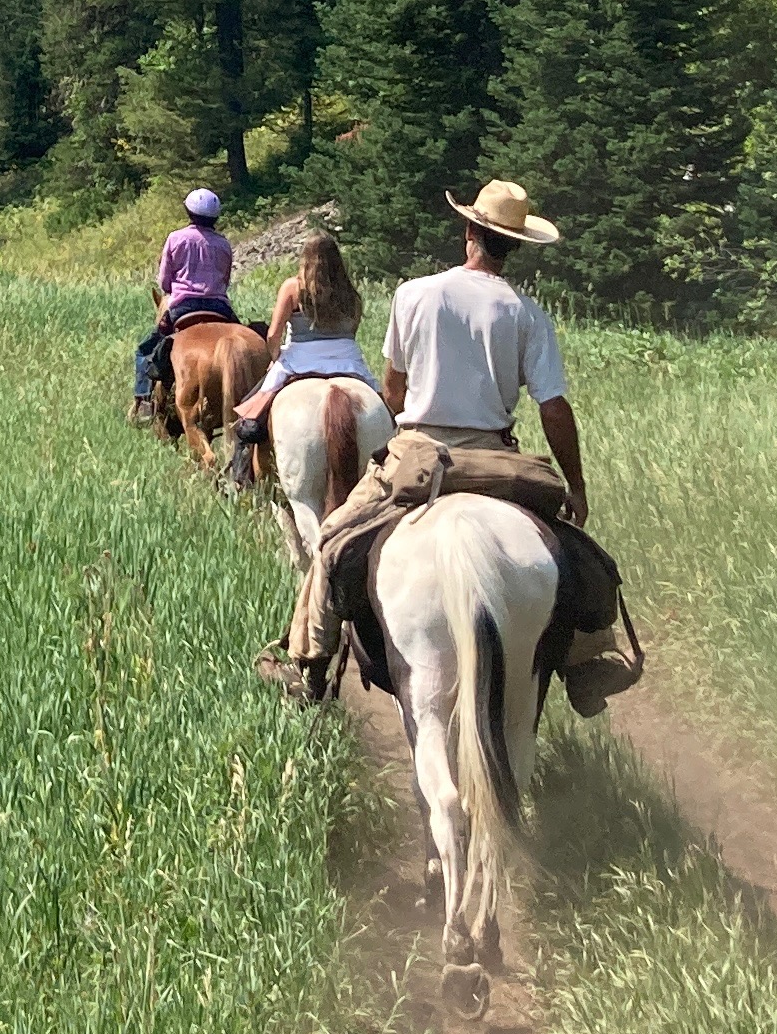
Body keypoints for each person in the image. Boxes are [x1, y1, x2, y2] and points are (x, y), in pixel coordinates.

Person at [281, 179, 590, 697]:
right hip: (497, 457)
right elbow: (554, 409)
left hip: (419, 451)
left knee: (334, 538)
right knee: (579, 557)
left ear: (469, 230)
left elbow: (394, 392)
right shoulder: (527, 313)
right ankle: (587, 656)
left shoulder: (415, 294)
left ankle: (310, 661)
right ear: (513, 245)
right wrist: (576, 486)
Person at [222, 227, 366, 490]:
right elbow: (352, 331)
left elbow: (274, 333)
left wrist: (275, 357)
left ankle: (239, 481)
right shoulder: (350, 292)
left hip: (301, 358)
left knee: (249, 416)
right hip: (347, 360)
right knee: (386, 410)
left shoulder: (293, 287)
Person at [131, 186, 237, 421]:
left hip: (183, 307)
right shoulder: (223, 244)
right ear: (216, 217)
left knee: (145, 350)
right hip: (220, 308)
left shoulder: (176, 238)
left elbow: (165, 281)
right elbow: (225, 279)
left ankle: (144, 401)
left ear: (189, 212)